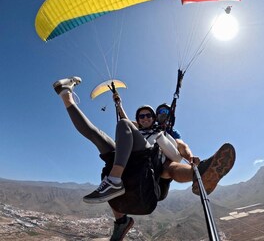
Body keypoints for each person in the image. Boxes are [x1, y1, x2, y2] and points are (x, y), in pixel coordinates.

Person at [53, 76, 235, 240]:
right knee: (97, 136)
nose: (145, 117)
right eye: (141, 116)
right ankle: (66, 96)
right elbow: (125, 122)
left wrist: (189, 157)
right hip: (132, 164)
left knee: (169, 167)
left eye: (149, 115)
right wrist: (118, 103)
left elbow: (180, 145)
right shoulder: (135, 128)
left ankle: (201, 172)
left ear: (154, 119)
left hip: (153, 170)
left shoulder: (162, 133)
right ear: (137, 120)